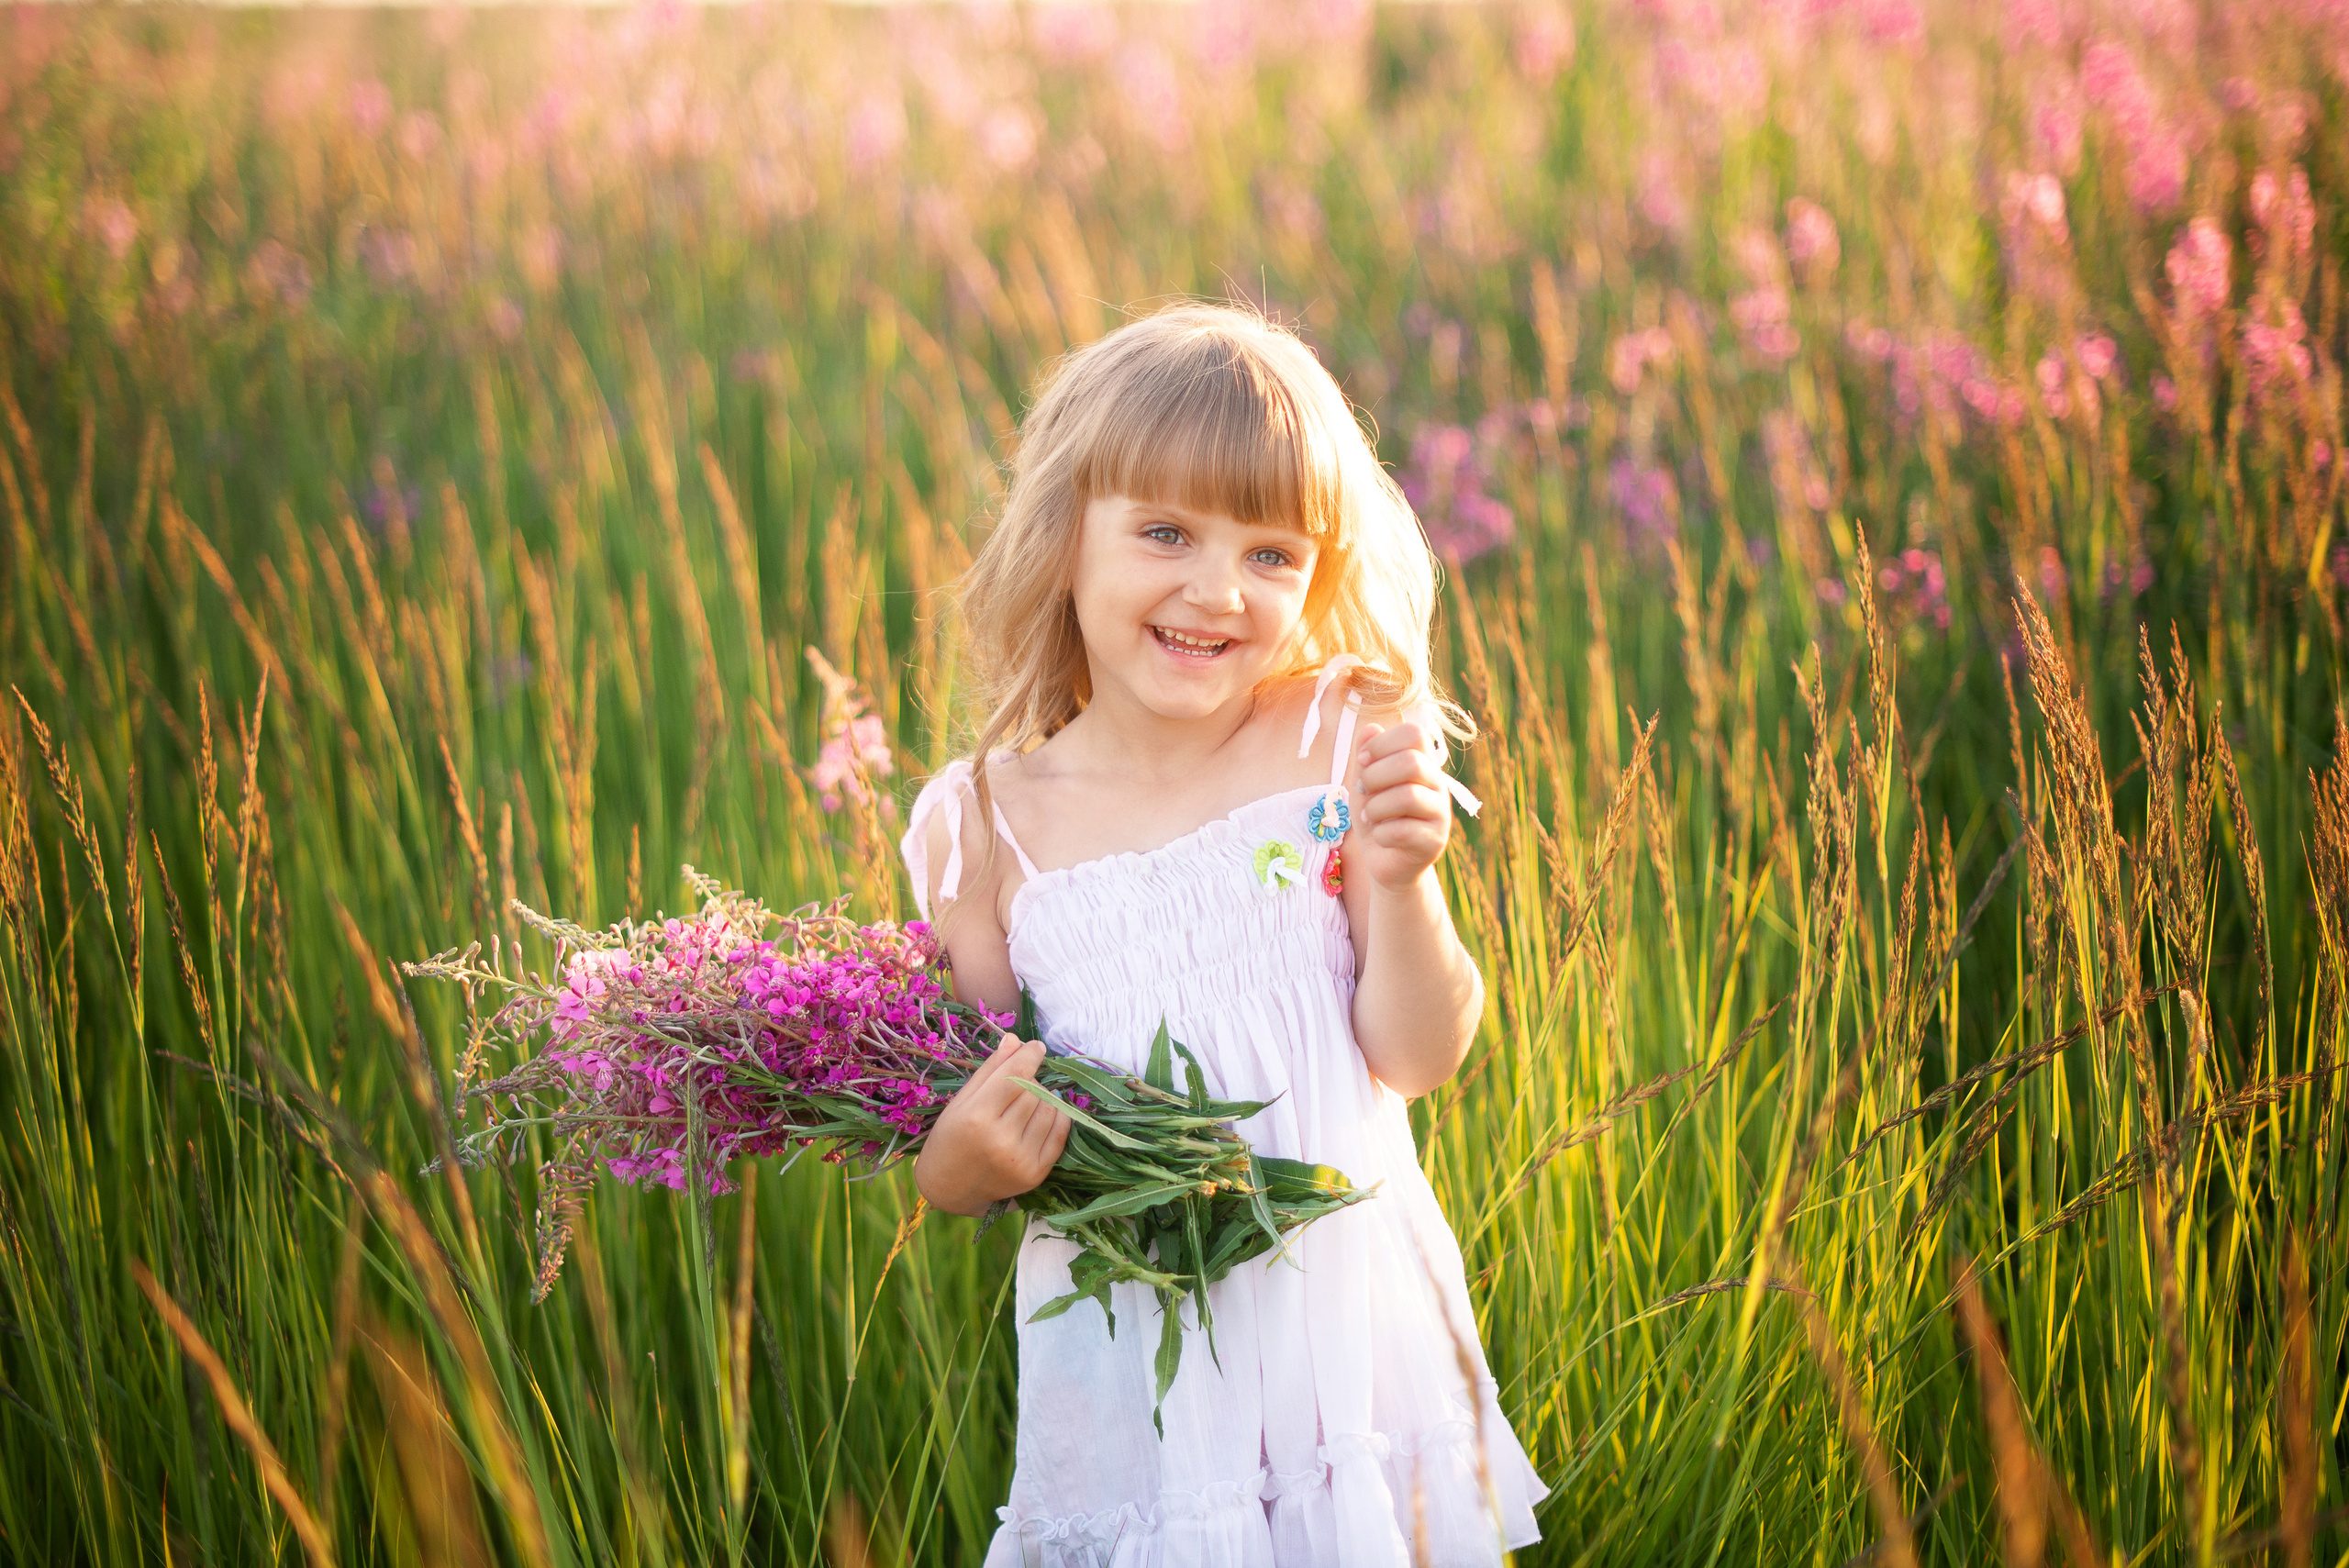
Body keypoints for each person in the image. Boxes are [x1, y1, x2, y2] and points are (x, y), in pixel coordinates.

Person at [899, 302, 1548, 1564]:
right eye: (1164, 532)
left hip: (1342, 1346)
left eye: (1270, 553)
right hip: (1141, 1364)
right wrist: (960, 1163)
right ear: (1064, 538)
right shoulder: (982, 827)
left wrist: (1407, 879)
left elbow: (1416, 1052)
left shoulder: (1338, 737)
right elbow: (945, 1129)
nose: (1216, 590)